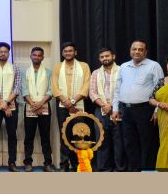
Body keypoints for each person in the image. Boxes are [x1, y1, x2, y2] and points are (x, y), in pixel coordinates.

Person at [111, 40, 164, 171]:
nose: (137, 51)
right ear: (130, 51)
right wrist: (115, 109)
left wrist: (157, 110)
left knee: (147, 143)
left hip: (145, 110)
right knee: (129, 143)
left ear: (145, 52)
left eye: (141, 49)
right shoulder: (123, 66)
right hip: (126, 110)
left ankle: (147, 172)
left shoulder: (154, 66)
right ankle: (134, 171)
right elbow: (117, 89)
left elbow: (161, 90)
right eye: (134, 49)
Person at [51, 41, 90, 172]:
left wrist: (72, 101)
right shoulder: (57, 67)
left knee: (79, 135)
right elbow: (54, 87)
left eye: (70, 51)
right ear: (62, 53)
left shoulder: (84, 66)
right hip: (62, 106)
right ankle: (64, 165)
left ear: (75, 52)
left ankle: (78, 165)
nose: (68, 53)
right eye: (65, 51)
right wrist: (65, 101)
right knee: (64, 135)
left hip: (78, 105)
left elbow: (86, 86)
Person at [89, 48, 126, 172]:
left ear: (113, 56)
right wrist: (104, 105)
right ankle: (104, 169)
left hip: (119, 109)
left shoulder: (122, 70)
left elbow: (125, 89)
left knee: (119, 140)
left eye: (107, 56)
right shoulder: (95, 73)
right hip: (101, 110)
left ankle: (120, 169)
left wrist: (113, 105)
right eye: (102, 57)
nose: (105, 58)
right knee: (102, 140)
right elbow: (92, 93)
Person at [0, 42, 21, 172]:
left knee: (12, 134)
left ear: (9, 53)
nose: (3, 53)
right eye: (0, 51)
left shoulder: (15, 69)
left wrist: (6, 104)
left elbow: (17, 88)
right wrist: (2, 103)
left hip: (11, 105)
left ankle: (12, 162)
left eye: (5, 51)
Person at [22, 47, 55, 172]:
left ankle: (47, 163)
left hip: (45, 107)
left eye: (39, 55)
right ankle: (28, 162)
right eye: (34, 55)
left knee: (45, 136)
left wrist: (40, 104)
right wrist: (33, 104)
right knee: (29, 137)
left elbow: (50, 90)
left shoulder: (48, 72)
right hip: (29, 106)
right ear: (30, 56)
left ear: (43, 57)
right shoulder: (25, 71)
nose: (36, 57)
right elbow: (24, 90)